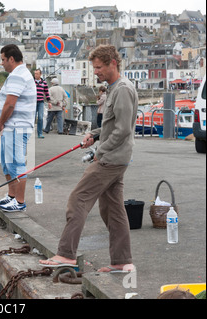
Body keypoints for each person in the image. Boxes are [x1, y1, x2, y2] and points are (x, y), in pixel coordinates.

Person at [39, 45, 139, 273]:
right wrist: (93, 135)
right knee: (112, 210)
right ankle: (122, 262)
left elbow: (123, 129)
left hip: (111, 159)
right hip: (116, 157)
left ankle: (65, 254)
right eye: (95, 68)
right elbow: (113, 125)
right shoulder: (114, 88)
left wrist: (99, 151)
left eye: (99, 67)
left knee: (78, 199)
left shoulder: (122, 89)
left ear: (113, 62)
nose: (96, 72)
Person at [0, 44, 36, 213]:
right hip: (10, 126)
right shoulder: (16, 74)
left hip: (16, 126)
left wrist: (0, 123)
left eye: (3, 60)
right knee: (7, 163)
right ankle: (11, 195)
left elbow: (10, 105)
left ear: (11, 59)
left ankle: (20, 201)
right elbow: (5, 104)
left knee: (17, 163)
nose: (2, 63)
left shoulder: (18, 75)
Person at [34, 69, 51, 139]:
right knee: (33, 118)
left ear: (40, 74)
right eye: (35, 74)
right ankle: (30, 133)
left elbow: (47, 93)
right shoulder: (32, 82)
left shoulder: (44, 82)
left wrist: (49, 102)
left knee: (40, 118)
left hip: (41, 102)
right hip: (33, 102)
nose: (36, 75)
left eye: (37, 74)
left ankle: (40, 133)